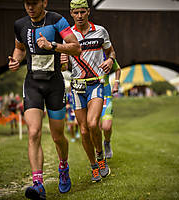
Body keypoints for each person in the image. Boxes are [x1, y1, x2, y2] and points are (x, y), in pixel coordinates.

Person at [8, 0, 81, 199]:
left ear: (44, 2)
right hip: (32, 84)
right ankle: (38, 184)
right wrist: (16, 60)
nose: (30, 7)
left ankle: (63, 166)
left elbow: (76, 48)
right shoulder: (20, 24)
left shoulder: (57, 20)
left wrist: (53, 45)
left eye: (34, 3)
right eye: (26, 3)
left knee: (58, 136)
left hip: (55, 85)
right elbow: (20, 48)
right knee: (33, 132)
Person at [61, 0, 116, 183]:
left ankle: (100, 156)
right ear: (71, 13)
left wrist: (109, 61)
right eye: (76, 12)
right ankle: (93, 166)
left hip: (96, 84)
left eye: (83, 12)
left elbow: (111, 53)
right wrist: (62, 61)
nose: (80, 16)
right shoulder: (68, 35)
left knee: (93, 124)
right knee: (84, 131)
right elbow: (63, 67)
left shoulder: (100, 31)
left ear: (88, 12)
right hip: (77, 87)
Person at [100, 59, 121, 159]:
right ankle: (98, 152)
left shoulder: (106, 55)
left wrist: (116, 83)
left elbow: (117, 69)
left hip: (106, 96)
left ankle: (107, 142)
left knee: (107, 126)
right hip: (89, 95)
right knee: (94, 126)